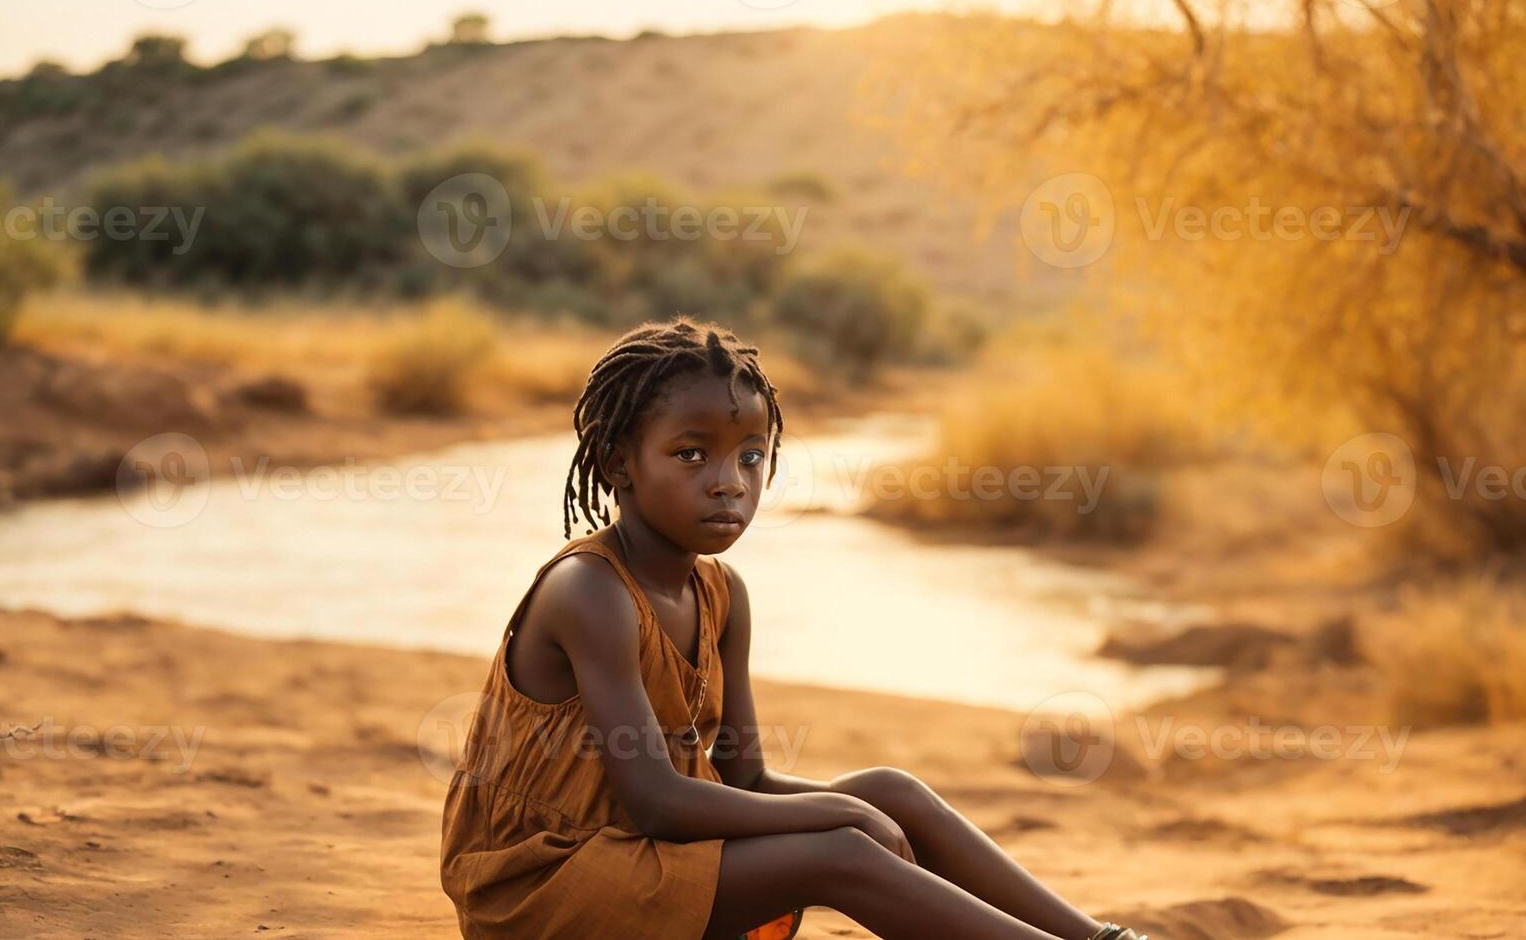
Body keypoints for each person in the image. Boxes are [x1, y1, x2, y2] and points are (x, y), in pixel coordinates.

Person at [439, 318, 1136, 940]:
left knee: (890, 792)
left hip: (643, 861)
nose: (729, 483)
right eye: (691, 455)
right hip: (543, 888)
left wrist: (852, 808)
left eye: (751, 455)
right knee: (843, 850)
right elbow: (656, 803)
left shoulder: (722, 595)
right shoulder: (590, 591)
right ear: (619, 463)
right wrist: (840, 819)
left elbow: (745, 776)